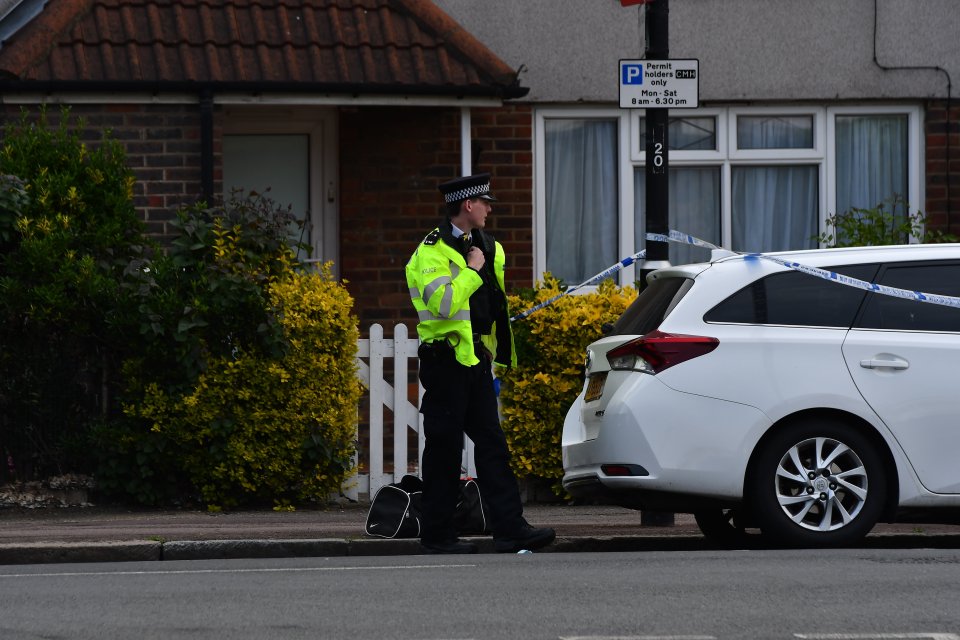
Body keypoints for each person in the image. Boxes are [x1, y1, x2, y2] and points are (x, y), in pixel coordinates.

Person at [405, 173, 556, 554]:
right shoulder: (431, 252)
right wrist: (472, 269)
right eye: (485, 202)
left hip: (475, 361)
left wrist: (493, 351)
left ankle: (511, 529)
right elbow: (443, 304)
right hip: (445, 361)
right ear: (468, 205)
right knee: (444, 449)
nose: (490, 208)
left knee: (492, 446)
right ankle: (438, 535)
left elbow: (489, 306)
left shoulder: (491, 247)